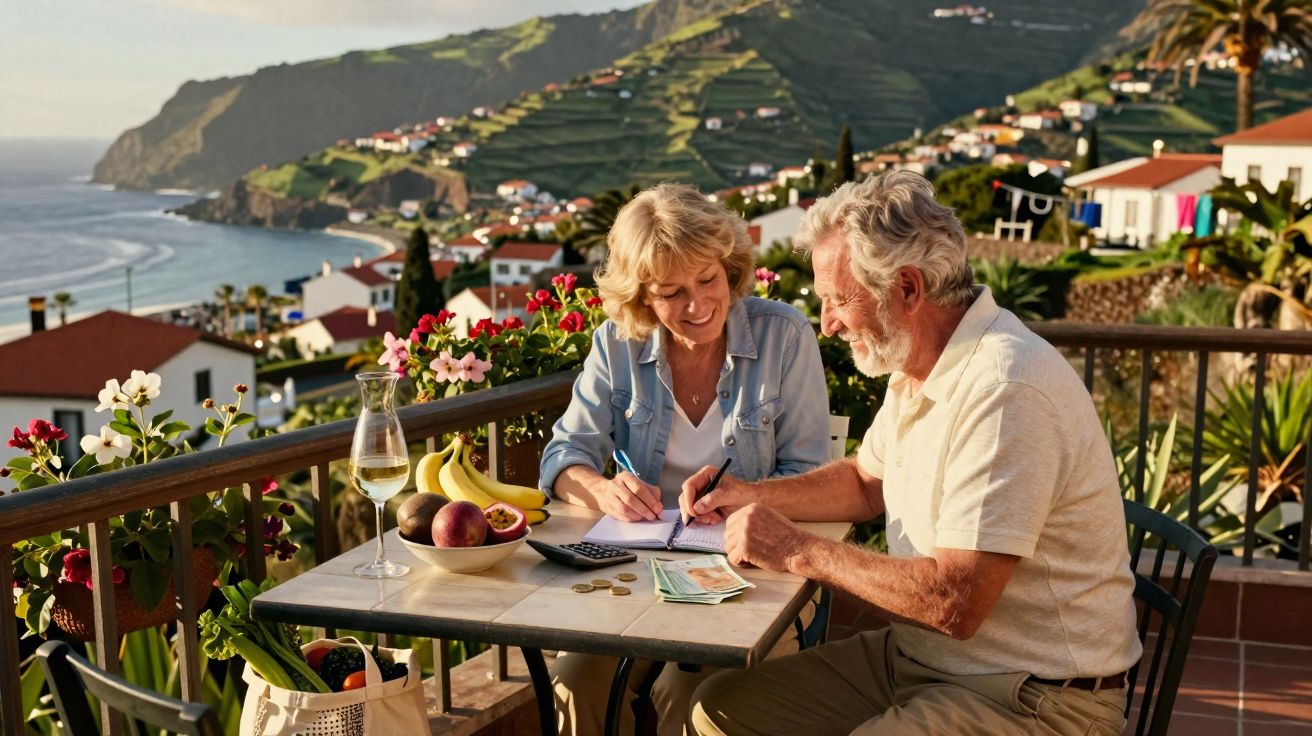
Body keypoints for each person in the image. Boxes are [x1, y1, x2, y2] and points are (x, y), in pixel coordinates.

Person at [683, 171, 1141, 735]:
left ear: (907, 290)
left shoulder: (1004, 388)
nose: (826, 325)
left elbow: (956, 602)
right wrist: (747, 494)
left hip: (1033, 698)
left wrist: (800, 550)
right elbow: (863, 482)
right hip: (922, 662)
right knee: (719, 709)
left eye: (836, 301)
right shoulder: (921, 365)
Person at [538, 182, 831, 736]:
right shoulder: (615, 344)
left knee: (689, 692)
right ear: (641, 297)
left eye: (708, 280)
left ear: (730, 267)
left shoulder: (784, 337)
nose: (698, 306)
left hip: (753, 576)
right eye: (671, 292)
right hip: (634, 578)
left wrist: (746, 500)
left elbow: (813, 479)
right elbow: (565, 454)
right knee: (577, 681)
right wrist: (602, 491)